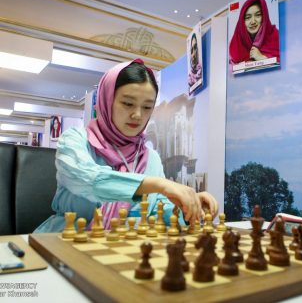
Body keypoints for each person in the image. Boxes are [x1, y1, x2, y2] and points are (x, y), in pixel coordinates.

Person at [35, 59, 218, 233]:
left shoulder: (150, 157)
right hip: (64, 242)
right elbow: (90, 181)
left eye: (147, 107)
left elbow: (160, 212)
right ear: (106, 100)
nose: (138, 115)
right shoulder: (75, 140)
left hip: (125, 249)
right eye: (128, 103)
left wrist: (187, 208)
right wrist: (158, 184)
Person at [229, 0, 280, 64]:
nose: (253, 21)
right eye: (248, 17)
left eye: (258, 15)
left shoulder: (276, 37)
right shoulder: (236, 44)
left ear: (264, 16)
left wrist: (262, 58)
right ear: (242, 22)